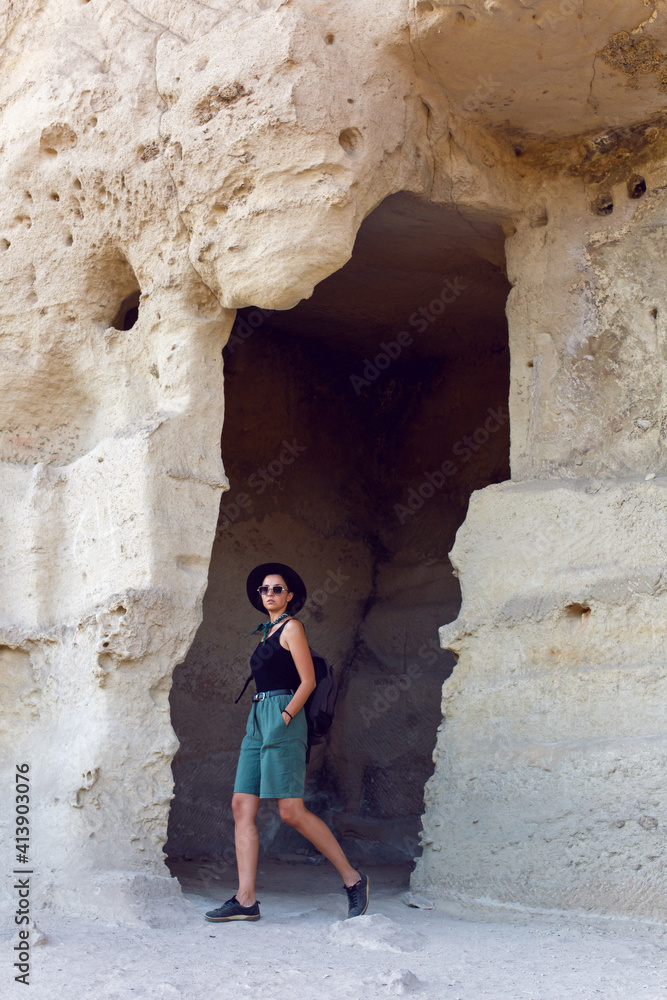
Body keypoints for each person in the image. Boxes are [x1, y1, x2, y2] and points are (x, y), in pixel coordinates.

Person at [204, 561, 370, 922]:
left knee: (290, 811)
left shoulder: (292, 628)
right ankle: (245, 900)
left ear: (289, 595)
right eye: (264, 589)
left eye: (276, 589)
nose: (269, 594)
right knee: (240, 805)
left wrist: (284, 718)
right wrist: (265, 720)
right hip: (257, 718)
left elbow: (307, 681)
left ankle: (353, 880)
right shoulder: (265, 632)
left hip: (283, 714)